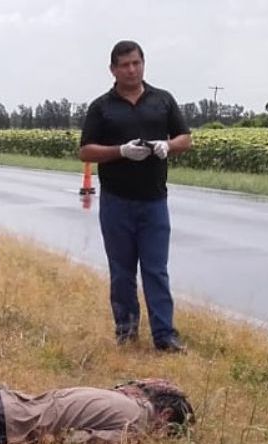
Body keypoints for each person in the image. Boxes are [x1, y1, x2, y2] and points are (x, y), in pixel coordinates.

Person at [79, 40, 192, 352]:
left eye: (136, 63)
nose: (131, 69)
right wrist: (121, 151)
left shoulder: (163, 101)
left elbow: (185, 138)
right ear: (113, 69)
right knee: (122, 271)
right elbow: (85, 150)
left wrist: (168, 146)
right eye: (124, 65)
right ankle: (126, 332)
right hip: (117, 202)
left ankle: (165, 336)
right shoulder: (102, 107)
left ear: (144, 63)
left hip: (154, 201)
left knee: (156, 270)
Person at [0, 378, 194, 444]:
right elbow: (72, 441)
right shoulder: (135, 427)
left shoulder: (124, 397)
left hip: (5, 398)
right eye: (168, 434)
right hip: (9, 423)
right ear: (165, 416)